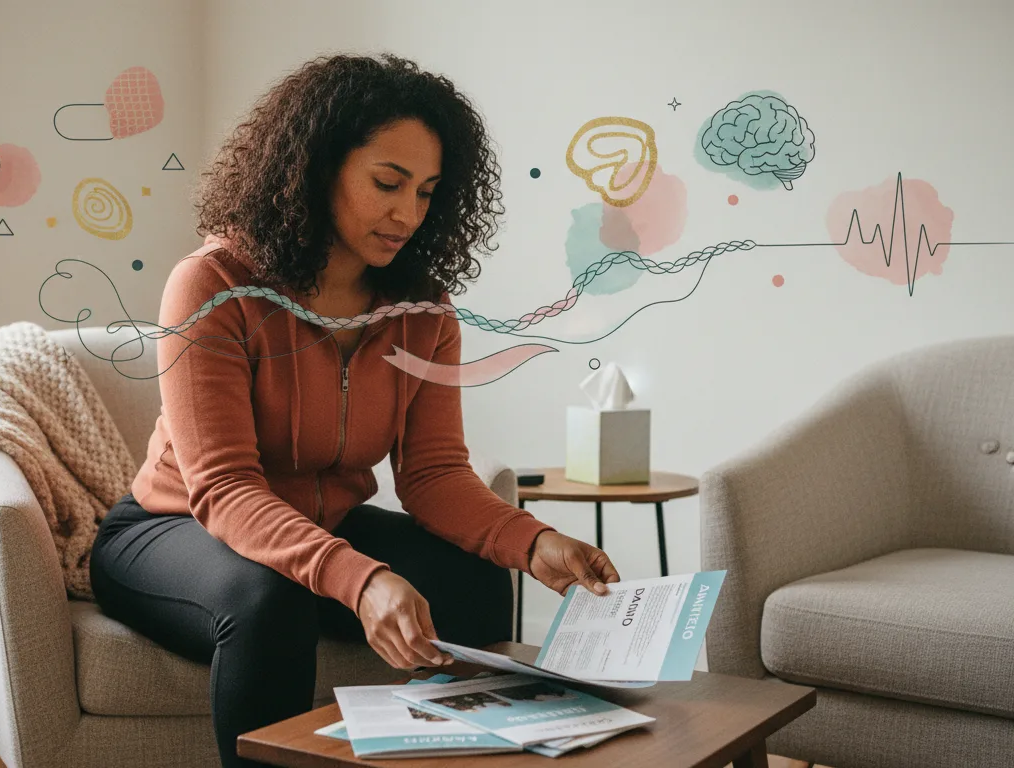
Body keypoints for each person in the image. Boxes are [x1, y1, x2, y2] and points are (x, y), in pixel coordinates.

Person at [90, 52, 621, 768]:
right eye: (387, 183)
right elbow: (223, 487)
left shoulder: (422, 310)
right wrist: (360, 578)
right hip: (173, 528)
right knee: (268, 596)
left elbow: (433, 474)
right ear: (315, 169)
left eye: (427, 192)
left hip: (321, 527)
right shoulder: (212, 286)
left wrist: (535, 543)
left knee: (473, 577)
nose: (408, 214)